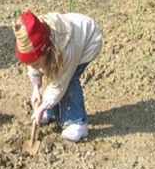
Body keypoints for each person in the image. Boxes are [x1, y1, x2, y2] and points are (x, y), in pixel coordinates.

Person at [12, 10, 103, 142]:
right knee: (52, 72)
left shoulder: (66, 50)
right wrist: (36, 89)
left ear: (47, 51)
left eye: (36, 63)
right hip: (63, 47)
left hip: (88, 42)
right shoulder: (35, 40)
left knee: (69, 80)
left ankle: (77, 122)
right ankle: (51, 112)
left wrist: (42, 107)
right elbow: (34, 63)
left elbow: (60, 83)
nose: (34, 66)